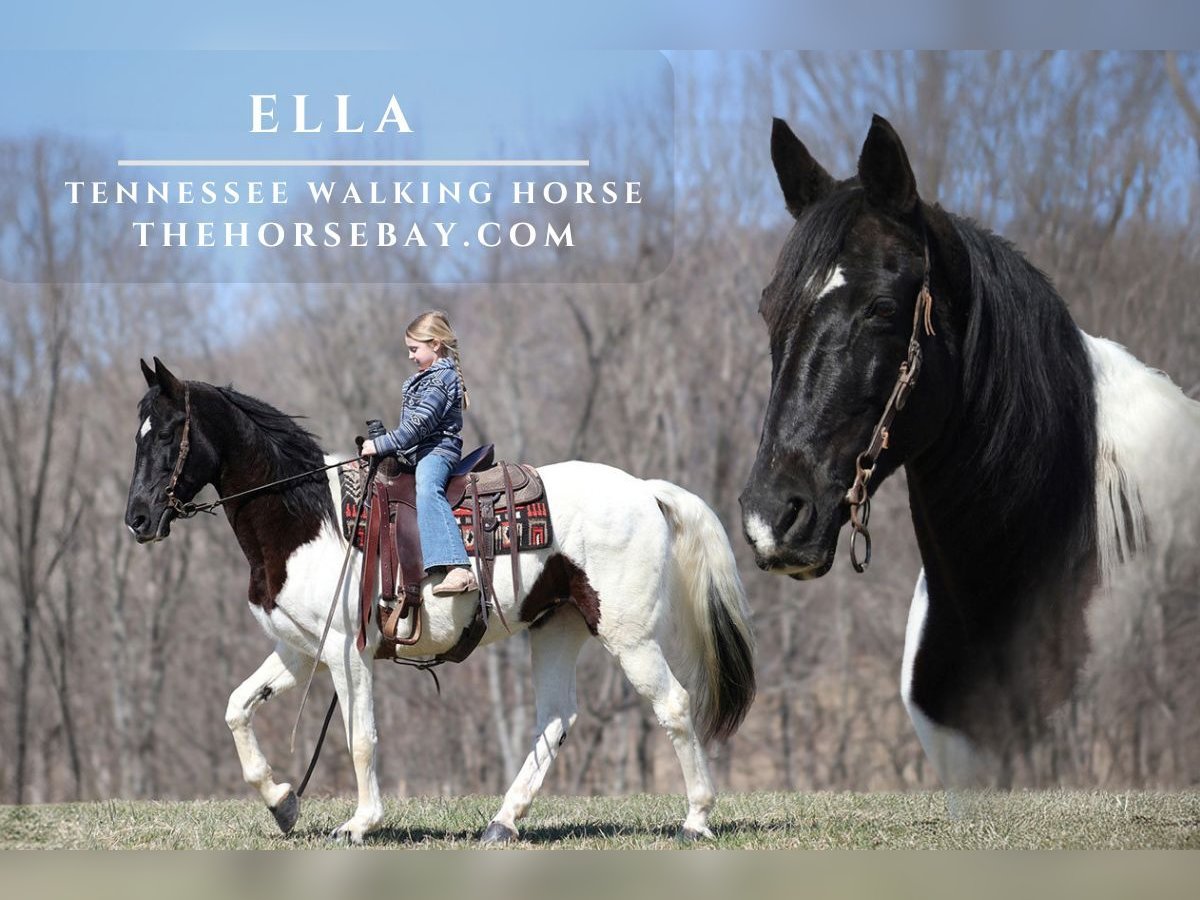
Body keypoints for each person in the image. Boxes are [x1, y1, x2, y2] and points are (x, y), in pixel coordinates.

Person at [361, 311, 478, 595]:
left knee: (427, 488)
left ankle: (457, 567)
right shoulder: (420, 379)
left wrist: (382, 444)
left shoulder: (443, 378)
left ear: (436, 344)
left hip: (439, 450)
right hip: (416, 452)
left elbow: (419, 425)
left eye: (415, 349)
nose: (411, 356)